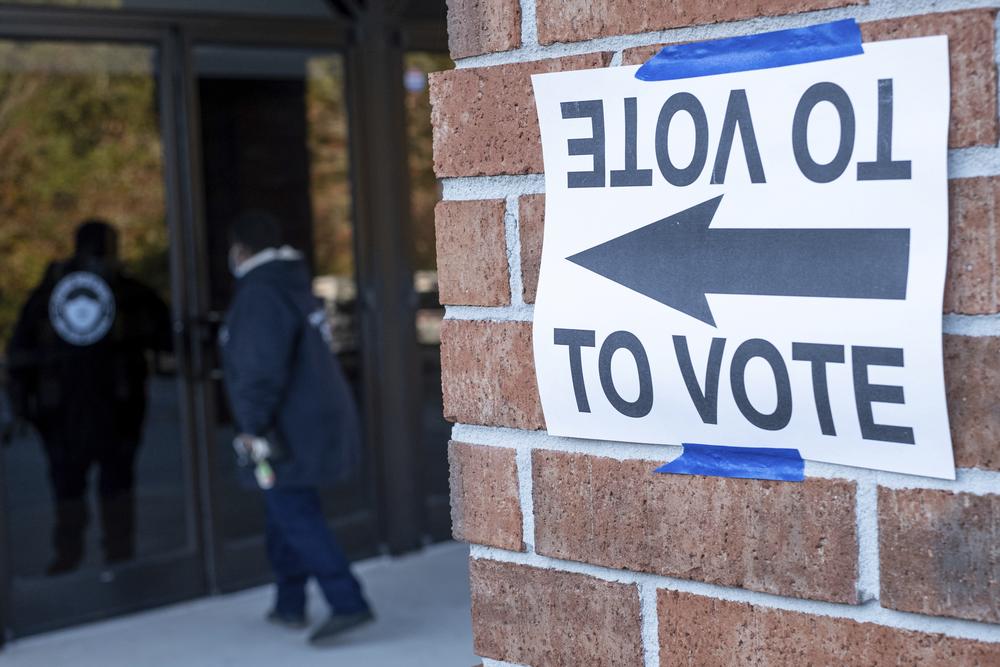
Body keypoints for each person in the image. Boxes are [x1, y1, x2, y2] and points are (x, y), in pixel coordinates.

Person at [220, 210, 372, 646]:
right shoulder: (288, 283)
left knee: (293, 512)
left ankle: (348, 602)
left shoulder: (260, 294)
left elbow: (258, 369)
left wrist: (251, 426)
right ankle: (289, 604)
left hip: (285, 431)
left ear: (241, 249)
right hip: (308, 422)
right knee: (283, 510)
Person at [6, 220, 171, 574]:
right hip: (93, 412)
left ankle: (88, 556)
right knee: (99, 489)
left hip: (88, 413)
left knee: (81, 489)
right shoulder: (119, 292)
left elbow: (20, 351)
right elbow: (167, 334)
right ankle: (104, 555)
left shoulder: (56, 293)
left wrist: (23, 405)